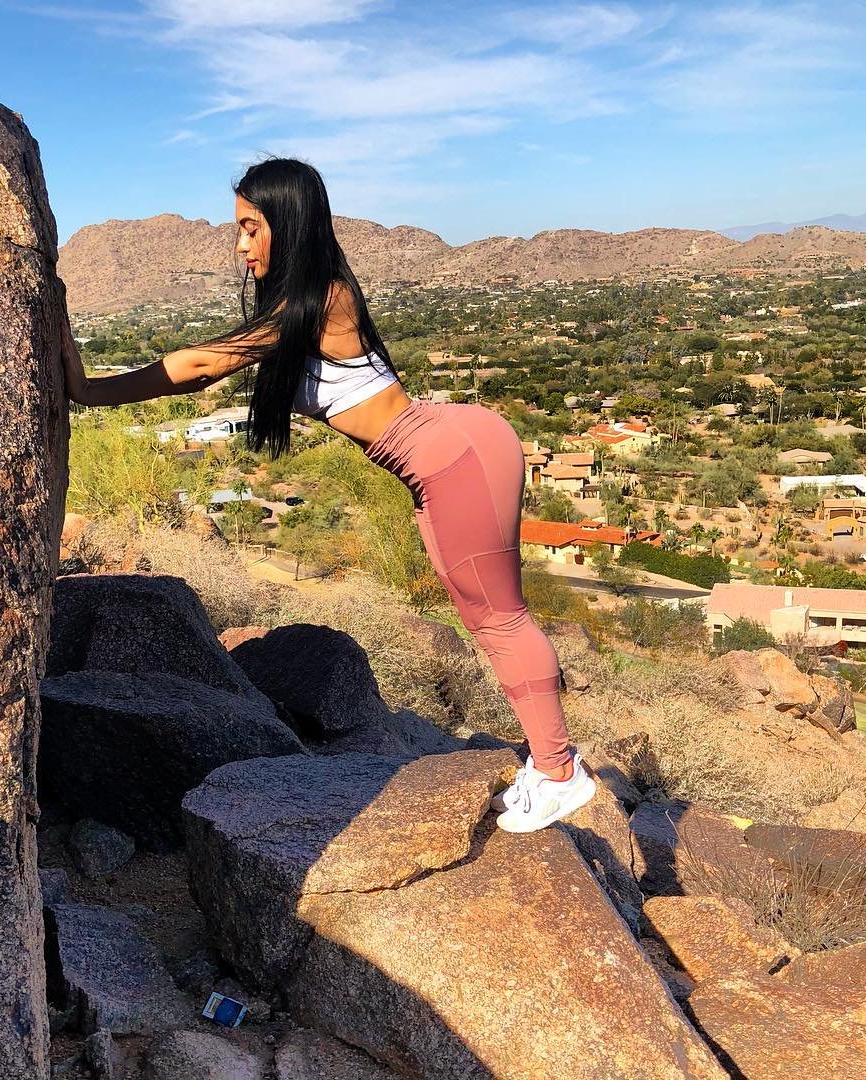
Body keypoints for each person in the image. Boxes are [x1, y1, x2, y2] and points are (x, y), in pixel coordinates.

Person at [59, 156, 595, 832]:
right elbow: (204, 371)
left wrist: (88, 391)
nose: (241, 245)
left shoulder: (324, 297)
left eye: (252, 227)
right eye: (238, 229)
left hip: (456, 459)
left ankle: (559, 773)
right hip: (442, 461)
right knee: (484, 617)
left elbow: (201, 365)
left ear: (287, 223)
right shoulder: (305, 300)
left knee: (500, 621)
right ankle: (548, 762)